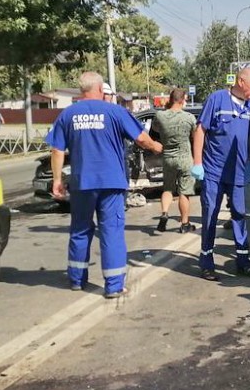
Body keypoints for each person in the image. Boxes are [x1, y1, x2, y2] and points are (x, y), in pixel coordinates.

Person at [46, 71, 163, 298]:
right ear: (100, 89)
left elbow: (57, 149)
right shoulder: (115, 111)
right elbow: (141, 138)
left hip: (82, 182)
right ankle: (114, 285)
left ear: (81, 90)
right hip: (111, 182)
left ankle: (77, 280)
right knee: (111, 231)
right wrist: (156, 147)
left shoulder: (68, 114)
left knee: (80, 229)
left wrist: (57, 180)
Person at [190, 67, 250, 281]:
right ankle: (206, 263)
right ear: (241, 81)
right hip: (214, 172)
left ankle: (243, 262)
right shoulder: (217, 99)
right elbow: (200, 130)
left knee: (240, 216)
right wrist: (197, 163)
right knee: (210, 216)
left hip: (240, 175)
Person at [153, 88, 197, 233]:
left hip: (168, 157)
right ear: (183, 99)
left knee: (167, 188)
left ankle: (164, 213)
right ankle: (185, 223)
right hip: (185, 158)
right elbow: (195, 136)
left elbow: (155, 129)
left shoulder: (160, 115)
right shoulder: (189, 118)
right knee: (184, 192)